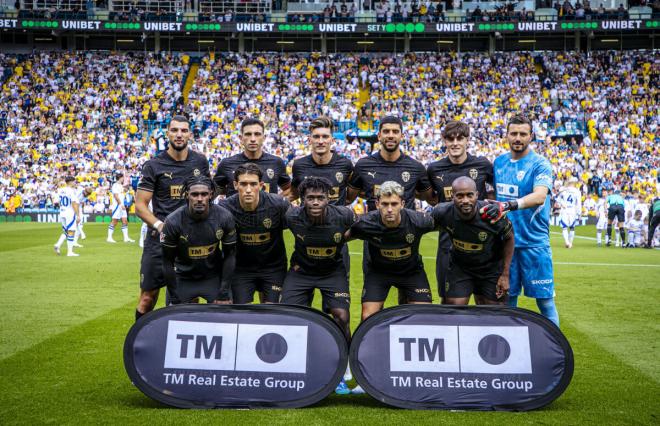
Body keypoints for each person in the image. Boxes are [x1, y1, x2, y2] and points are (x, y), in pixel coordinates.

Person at [280, 177, 356, 393]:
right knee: (289, 314)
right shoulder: (292, 216)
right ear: (302, 200)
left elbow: (362, 229)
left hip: (333, 271)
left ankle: (345, 366)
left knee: (341, 316)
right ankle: (293, 365)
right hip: (301, 271)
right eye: (310, 198)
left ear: (328, 199)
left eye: (320, 198)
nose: (315, 202)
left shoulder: (344, 215)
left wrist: (342, 240)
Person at [482, 113, 559, 327]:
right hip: (506, 245)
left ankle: (557, 352)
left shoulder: (540, 164)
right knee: (508, 300)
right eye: (513, 133)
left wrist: (507, 205)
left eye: (523, 134)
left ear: (531, 136)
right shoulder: (498, 163)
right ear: (506, 135)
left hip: (534, 244)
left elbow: (540, 196)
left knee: (545, 303)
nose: (518, 138)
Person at [134, 115, 211, 321]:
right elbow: (140, 206)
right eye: (175, 130)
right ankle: (137, 343)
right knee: (147, 299)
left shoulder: (200, 161)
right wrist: (160, 226)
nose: (179, 135)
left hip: (190, 241)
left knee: (188, 300)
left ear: (190, 134)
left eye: (184, 130)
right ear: (167, 133)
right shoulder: (154, 165)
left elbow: (207, 196)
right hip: (159, 241)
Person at [426, 120, 494, 302]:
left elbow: (496, 192)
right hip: (448, 243)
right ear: (444, 141)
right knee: (448, 301)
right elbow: (429, 196)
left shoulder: (482, 165)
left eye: (460, 138)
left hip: (482, 245)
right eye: (450, 139)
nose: (455, 143)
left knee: (485, 303)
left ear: (467, 140)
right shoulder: (434, 169)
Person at [347, 181, 435, 320]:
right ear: (377, 204)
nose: (389, 209)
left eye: (394, 204)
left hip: (411, 272)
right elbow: (340, 238)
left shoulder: (419, 221)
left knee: (423, 316)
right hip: (379, 273)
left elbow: (446, 224)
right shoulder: (365, 223)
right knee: (367, 317)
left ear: (402, 204)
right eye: (384, 204)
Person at [431, 177, 514, 306]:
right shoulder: (442, 212)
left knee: (495, 311)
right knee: (453, 306)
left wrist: (505, 275)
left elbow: (509, 238)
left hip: (490, 269)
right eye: (460, 196)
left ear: (477, 195)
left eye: (470, 195)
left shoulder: (491, 213)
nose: (465, 201)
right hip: (461, 268)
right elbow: (419, 225)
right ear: (452, 196)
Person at [217, 163, 290, 304]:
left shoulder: (278, 204)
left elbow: (301, 229)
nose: (248, 189)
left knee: (271, 312)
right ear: (235, 185)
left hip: (273, 268)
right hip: (241, 269)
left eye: (253, 184)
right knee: (242, 314)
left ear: (261, 185)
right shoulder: (224, 208)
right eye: (243, 184)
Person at [161, 176, 236, 304]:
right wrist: (174, 296)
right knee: (176, 321)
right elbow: (167, 261)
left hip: (213, 278)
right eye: (194, 194)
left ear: (211, 195)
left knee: (223, 320)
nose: (200, 199)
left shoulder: (224, 217)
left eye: (204, 194)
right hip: (183, 278)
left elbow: (230, 255)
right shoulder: (173, 221)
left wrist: (224, 291)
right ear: (186, 195)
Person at [213, 118, 291, 197]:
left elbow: (290, 189)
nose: (253, 139)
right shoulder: (226, 164)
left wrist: (278, 202)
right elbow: (212, 191)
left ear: (264, 138)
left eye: (257, 134)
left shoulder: (276, 163)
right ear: (241, 138)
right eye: (248, 134)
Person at [53, 176, 81, 257]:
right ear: (71, 182)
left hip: (62, 212)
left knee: (66, 231)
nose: (75, 183)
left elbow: (55, 202)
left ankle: (58, 245)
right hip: (69, 213)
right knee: (71, 231)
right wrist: (78, 215)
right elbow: (74, 203)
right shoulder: (71, 191)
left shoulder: (60, 190)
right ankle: (70, 252)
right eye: (74, 181)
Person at [107, 172, 134, 243]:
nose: (123, 179)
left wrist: (127, 186)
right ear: (120, 178)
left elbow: (125, 190)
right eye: (123, 178)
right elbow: (116, 196)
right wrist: (121, 204)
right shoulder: (115, 185)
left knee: (125, 221)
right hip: (117, 206)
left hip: (122, 206)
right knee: (114, 221)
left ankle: (126, 238)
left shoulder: (121, 186)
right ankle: (109, 237)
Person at [557, 177, 582, 249]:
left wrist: (562, 204)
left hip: (565, 210)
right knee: (572, 227)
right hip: (572, 210)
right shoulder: (577, 191)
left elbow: (558, 200)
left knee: (564, 227)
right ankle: (570, 243)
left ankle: (567, 242)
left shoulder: (563, 190)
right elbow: (579, 203)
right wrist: (579, 213)